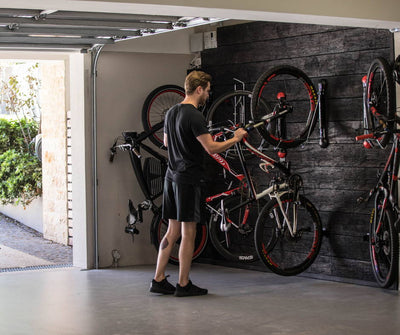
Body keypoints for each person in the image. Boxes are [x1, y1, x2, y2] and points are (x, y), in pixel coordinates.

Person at [149, 71, 247, 297]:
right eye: (208, 89)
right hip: (188, 179)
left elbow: (166, 141)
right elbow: (211, 148)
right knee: (188, 231)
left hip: (171, 177)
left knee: (172, 231)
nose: (208, 94)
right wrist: (236, 138)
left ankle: (158, 278)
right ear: (199, 89)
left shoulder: (172, 112)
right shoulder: (194, 115)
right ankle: (183, 284)